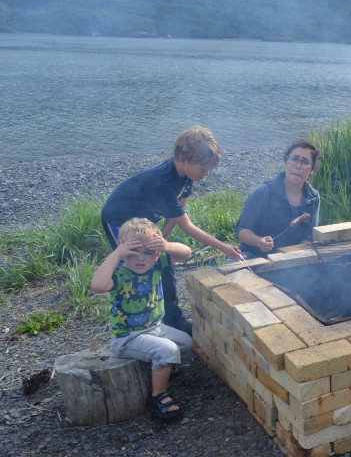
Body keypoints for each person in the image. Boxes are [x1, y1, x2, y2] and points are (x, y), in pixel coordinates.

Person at [101, 125, 241, 336]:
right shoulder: (164, 182)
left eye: (209, 169)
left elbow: (178, 211)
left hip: (147, 221)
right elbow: (187, 226)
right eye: (203, 169)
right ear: (183, 160)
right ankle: (134, 322)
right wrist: (224, 248)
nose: (207, 174)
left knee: (162, 263)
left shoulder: (187, 176)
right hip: (119, 219)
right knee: (134, 266)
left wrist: (160, 240)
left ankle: (172, 319)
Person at [90, 218, 193, 419]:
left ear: (157, 255)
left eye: (148, 253)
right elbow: (98, 286)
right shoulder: (120, 275)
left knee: (187, 343)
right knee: (168, 350)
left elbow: (186, 253)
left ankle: (162, 367)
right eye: (134, 252)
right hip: (128, 338)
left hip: (154, 328)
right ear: (123, 252)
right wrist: (115, 255)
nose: (141, 258)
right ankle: (158, 395)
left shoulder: (157, 265)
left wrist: (166, 245)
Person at [235, 139, 321, 259]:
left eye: (305, 162)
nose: (298, 166)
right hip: (254, 255)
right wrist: (259, 241)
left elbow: (310, 235)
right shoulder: (264, 192)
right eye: (294, 159)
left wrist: (304, 244)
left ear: (311, 170)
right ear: (286, 162)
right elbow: (241, 230)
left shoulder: (313, 198)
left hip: (292, 257)